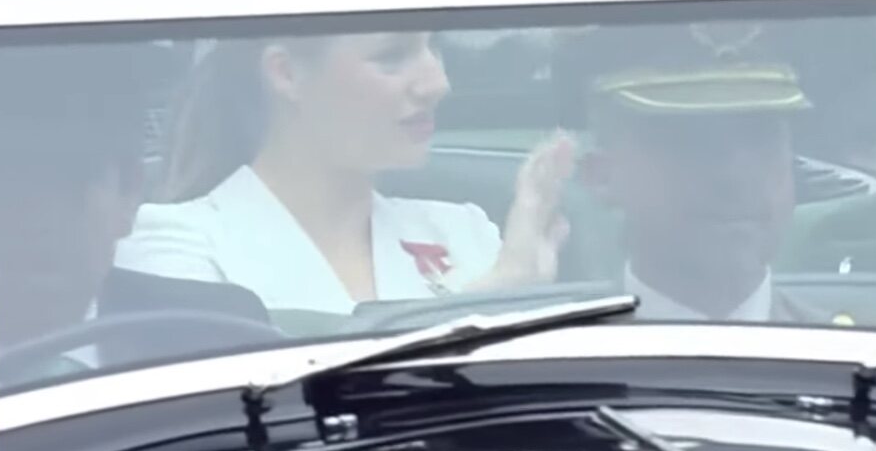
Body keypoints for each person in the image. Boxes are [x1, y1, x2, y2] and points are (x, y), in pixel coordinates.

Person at [113, 31, 574, 315]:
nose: (437, 84)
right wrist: (499, 294)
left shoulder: (464, 230)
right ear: (286, 73)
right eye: (392, 56)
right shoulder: (168, 244)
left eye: (433, 47)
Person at [0, 42, 172, 350]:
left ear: (129, 195)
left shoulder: (217, 349)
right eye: (1, 183)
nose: (38, 218)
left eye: (73, 180)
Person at [553, 19, 821, 321]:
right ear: (602, 175)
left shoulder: (859, 355)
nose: (734, 175)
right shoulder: (545, 362)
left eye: (761, 139)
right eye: (690, 142)